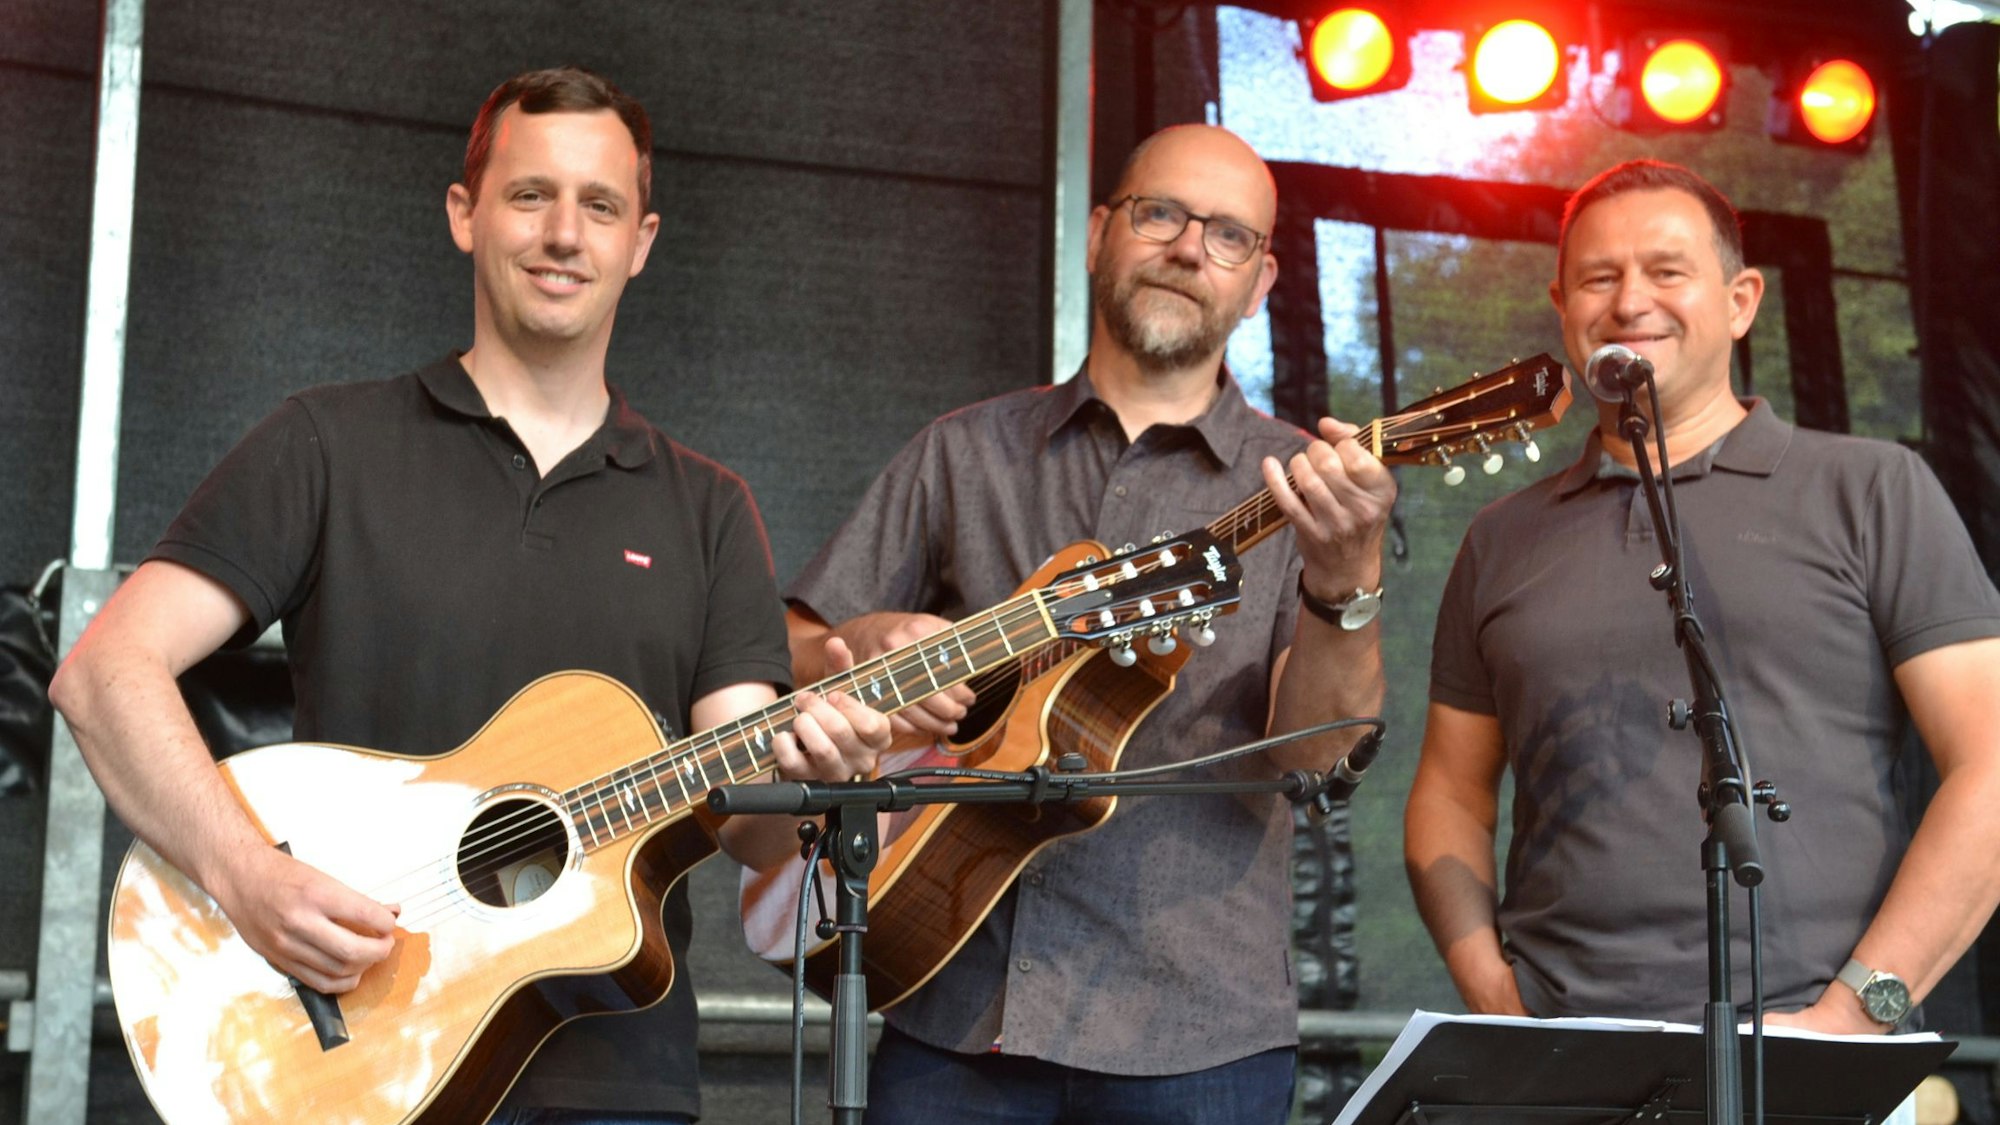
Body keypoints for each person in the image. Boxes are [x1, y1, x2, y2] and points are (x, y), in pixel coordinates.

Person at [48, 67, 890, 1124]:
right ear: (465, 214)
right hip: (354, 1057)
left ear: (640, 241)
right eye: (530, 195)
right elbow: (103, 672)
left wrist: (822, 770)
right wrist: (246, 876)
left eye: (600, 205)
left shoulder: (709, 507)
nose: (563, 235)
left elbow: (748, 821)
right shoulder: (327, 444)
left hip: (615, 1079)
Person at [756, 124, 1397, 1123]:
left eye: (1227, 236)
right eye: (1160, 215)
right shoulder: (962, 452)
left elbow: (1318, 754)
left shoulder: (1296, 491)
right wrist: (873, 643)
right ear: (1098, 232)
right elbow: (788, 649)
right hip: (952, 1009)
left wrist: (1343, 584)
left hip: (1197, 1034)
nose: (1188, 248)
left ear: (1261, 281)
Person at [1405, 158, 2000, 1032]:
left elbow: (1989, 764)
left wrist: (1855, 1015)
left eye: (1667, 270)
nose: (1629, 301)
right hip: (1560, 1052)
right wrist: (1488, 986)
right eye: (1598, 278)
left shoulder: (1871, 488)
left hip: (1811, 1047)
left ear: (1741, 300)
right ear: (1563, 306)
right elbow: (1451, 793)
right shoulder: (1502, 536)